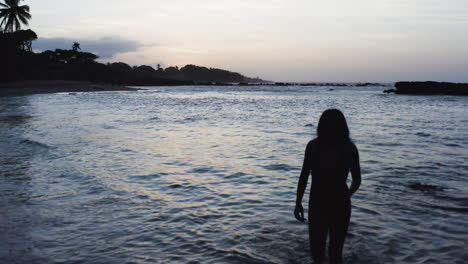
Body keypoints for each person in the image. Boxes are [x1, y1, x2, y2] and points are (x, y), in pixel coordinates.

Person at [294, 109, 361, 264]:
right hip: (340, 202)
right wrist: (347, 195)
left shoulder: (314, 147)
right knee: (335, 254)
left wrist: (298, 202)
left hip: (318, 202)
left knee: (318, 254)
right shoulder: (349, 148)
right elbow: (357, 181)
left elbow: (304, 176)